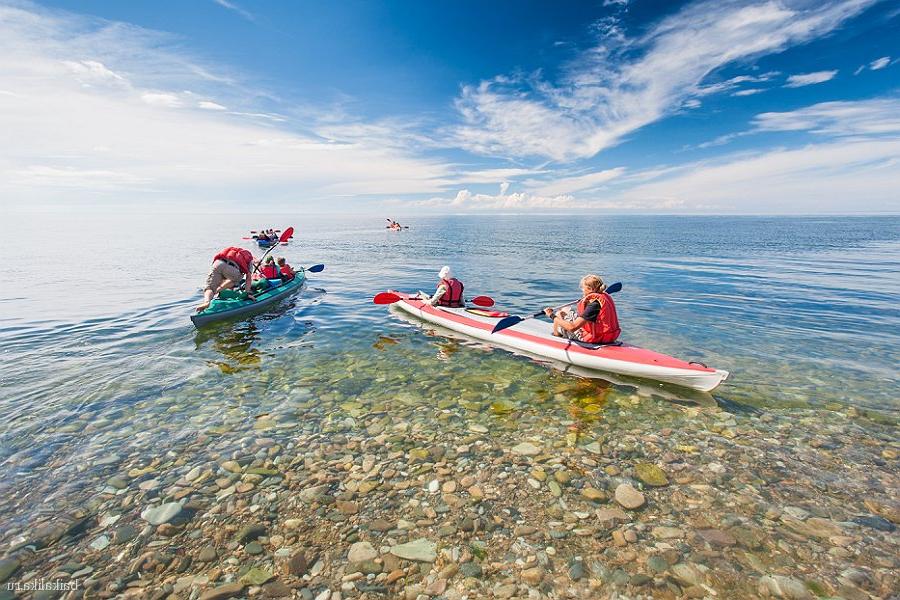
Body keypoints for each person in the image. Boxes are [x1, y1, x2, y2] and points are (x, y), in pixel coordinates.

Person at [543, 274, 620, 343]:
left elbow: (572, 327)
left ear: (591, 289)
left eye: (583, 288)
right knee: (564, 309)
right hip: (609, 336)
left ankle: (557, 338)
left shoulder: (594, 306)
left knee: (558, 314)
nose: (582, 291)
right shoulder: (603, 297)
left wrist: (551, 315)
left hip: (594, 338)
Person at [197, 246, 256, 312]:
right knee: (234, 280)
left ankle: (207, 302)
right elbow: (248, 277)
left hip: (218, 263)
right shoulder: (249, 259)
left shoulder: (230, 251)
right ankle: (221, 290)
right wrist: (247, 293)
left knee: (209, 287)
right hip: (232, 268)